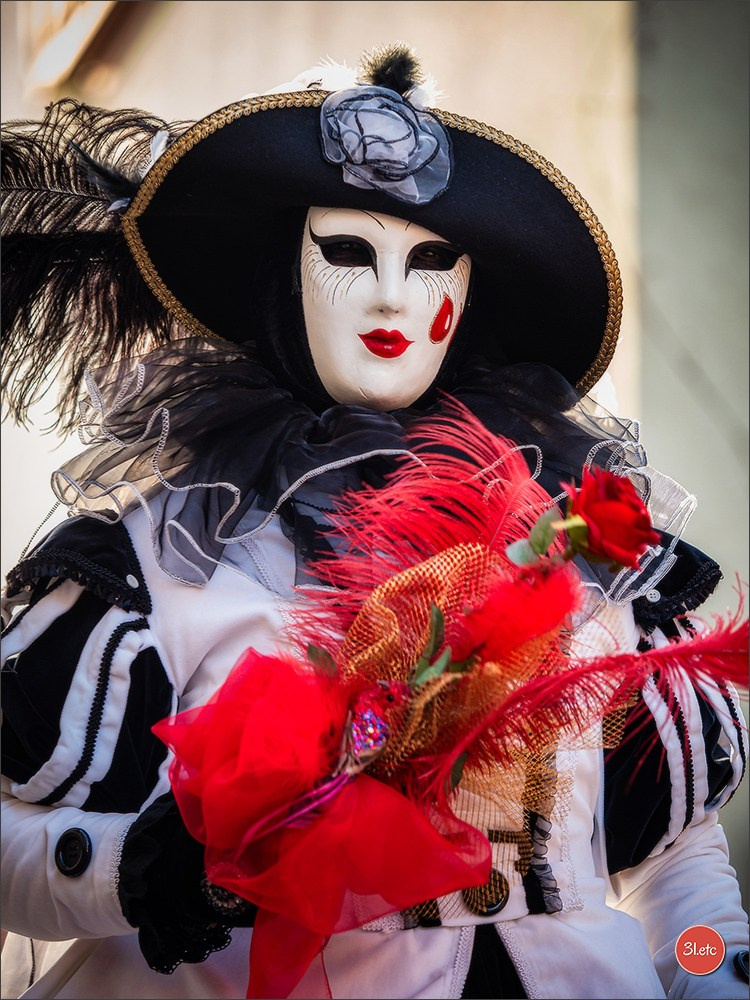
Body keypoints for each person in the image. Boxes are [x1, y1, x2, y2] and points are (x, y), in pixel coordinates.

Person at [1, 43, 748, 1000]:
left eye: (432, 260)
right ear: (284, 273)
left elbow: (677, 871)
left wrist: (709, 974)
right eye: (349, 253)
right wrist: (134, 871)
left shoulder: (575, 546)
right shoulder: (166, 556)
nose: (394, 295)